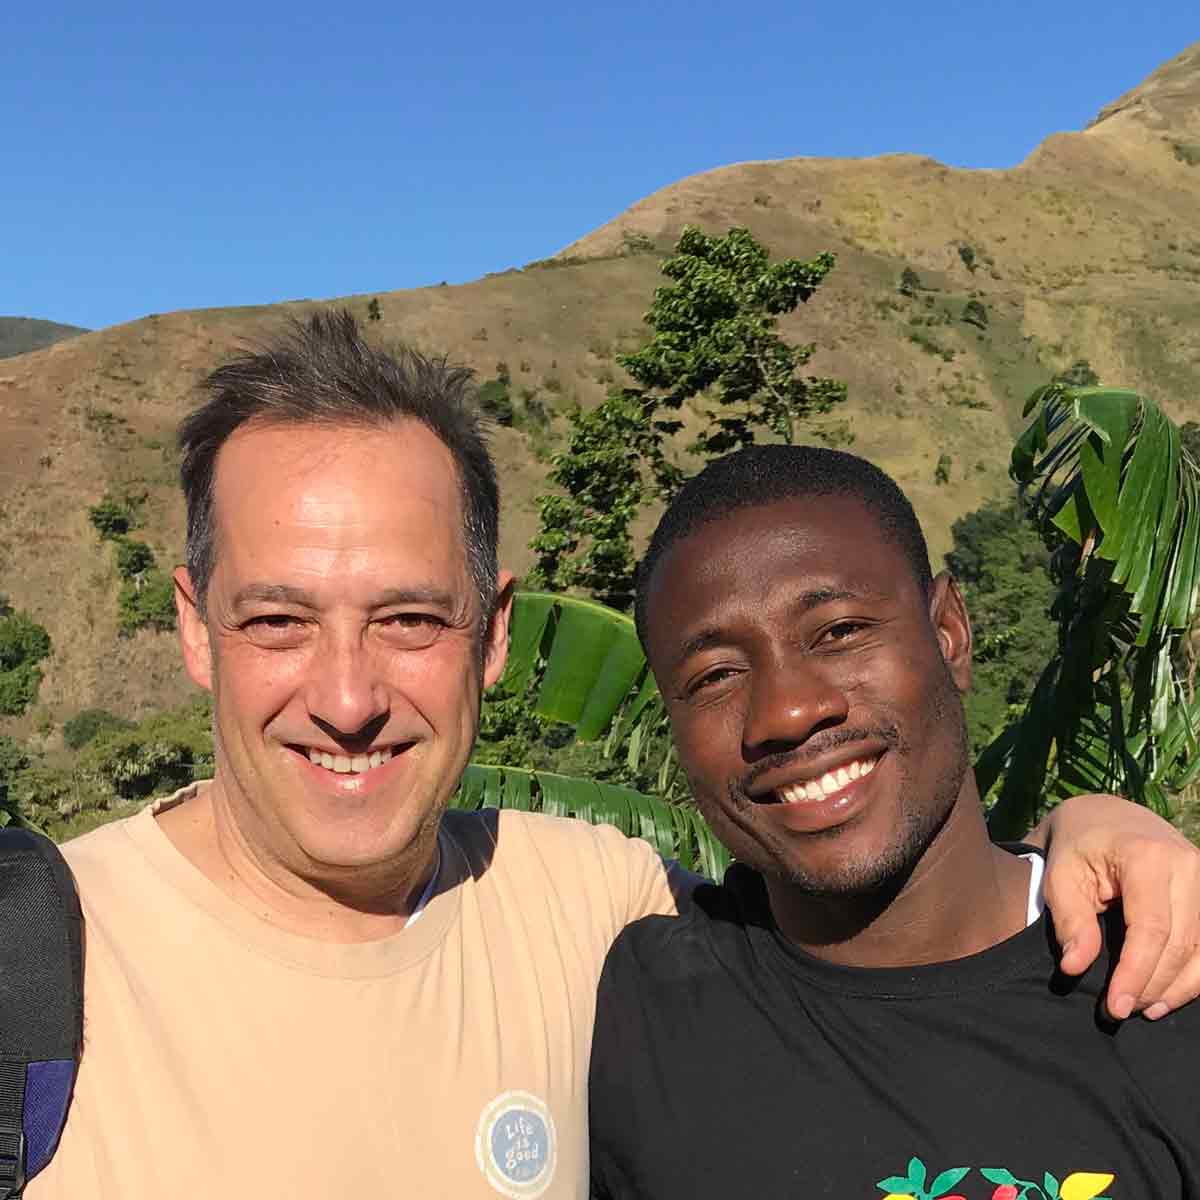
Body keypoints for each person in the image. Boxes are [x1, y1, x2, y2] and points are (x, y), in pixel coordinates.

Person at [29, 315, 1200, 1200]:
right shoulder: (35, 964)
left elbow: (902, 902)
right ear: (193, 627)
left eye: (410, 620)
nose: (347, 699)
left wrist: (1097, 828)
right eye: (278, 619)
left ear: (493, 635)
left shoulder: (587, 910)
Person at [589, 444, 1200, 1199]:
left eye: (840, 631)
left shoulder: (1164, 985)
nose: (786, 712)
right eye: (715, 676)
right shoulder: (629, 1019)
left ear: (950, 634)